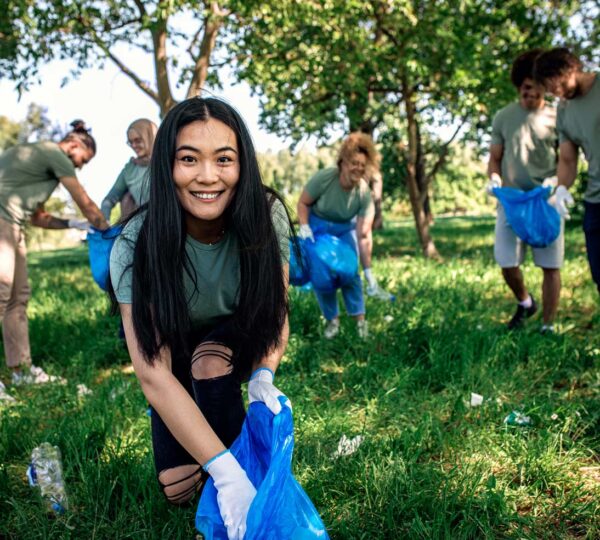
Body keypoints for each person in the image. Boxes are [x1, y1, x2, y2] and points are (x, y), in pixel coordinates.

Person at [109, 97, 292, 540]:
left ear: (242, 165)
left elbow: (274, 313)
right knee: (178, 487)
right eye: (189, 159)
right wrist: (223, 477)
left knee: (210, 362)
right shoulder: (135, 242)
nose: (207, 176)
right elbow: (152, 373)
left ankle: (241, 461)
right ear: (166, 166)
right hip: (170, 347)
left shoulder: (268, 216)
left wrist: (263, 375)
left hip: (232, 337)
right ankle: (228, 469)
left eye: (224, 160)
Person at [0, 121, 109, 392]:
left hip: (14, 225)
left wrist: (74, 224)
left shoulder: (39, 156)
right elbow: (83, 200)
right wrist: (108, 230)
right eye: (83, 161)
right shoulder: (55, 154)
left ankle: (20, 369)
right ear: (74, 145)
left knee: (17, 297)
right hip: (2, 222)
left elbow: (38, 217)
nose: (79, 167)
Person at [487, 50, 562, 332]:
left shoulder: (557, 117)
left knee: (550, 265)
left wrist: (557, 182)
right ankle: (525, 302)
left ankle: (548, 326)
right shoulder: (503, 117)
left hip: (546, 199)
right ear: (518, 86)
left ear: (544, 85)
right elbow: (495, 158)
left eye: (536, 87)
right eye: (525, 88)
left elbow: (567, 158)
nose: (530, 93)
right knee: (506, 261)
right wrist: (494, 179)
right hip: (512, 200)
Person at [297, 132, 391, 340]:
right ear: (343, 162)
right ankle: (333, 322)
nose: (358, 168)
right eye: (353, 163)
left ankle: (360, 324)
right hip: (318, 226)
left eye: (362, 164)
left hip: (344, 229)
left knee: (350, 273)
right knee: (322, 276)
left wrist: (369, 271)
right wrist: (305, 228)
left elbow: (364, 234)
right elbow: (303, 202)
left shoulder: (363, 192)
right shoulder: (325, 178)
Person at [534, 48, 600, 294]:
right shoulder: (564, 110)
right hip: (595, 199)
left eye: (559, 85)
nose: (558, 93)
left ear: (571, 68)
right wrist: (561, 188)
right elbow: (568, 159)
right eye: (552, 91)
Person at [101, 118, 158, 222]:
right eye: (130, 142)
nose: (134, 146)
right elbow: (109, 200)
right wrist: (105, 221)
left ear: (150, 137)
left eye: (138, 140)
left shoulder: (168, 160)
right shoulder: (129, 170)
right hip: (145, 227)